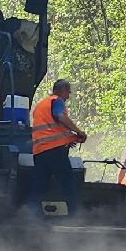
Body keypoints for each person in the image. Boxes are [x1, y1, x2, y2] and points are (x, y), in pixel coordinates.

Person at [29, 79, 86, 218]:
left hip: (39, 151)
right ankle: (75, 215)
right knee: (68, 181)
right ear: (62, 90)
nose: (68, 96)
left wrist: (69, 138)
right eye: (68, 92)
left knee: (40, 183)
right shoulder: (57, 101)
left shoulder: (40, 105)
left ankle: (32, 215)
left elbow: (49, 129)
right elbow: (60, 117)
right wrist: (79, 132)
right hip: (54, 150)